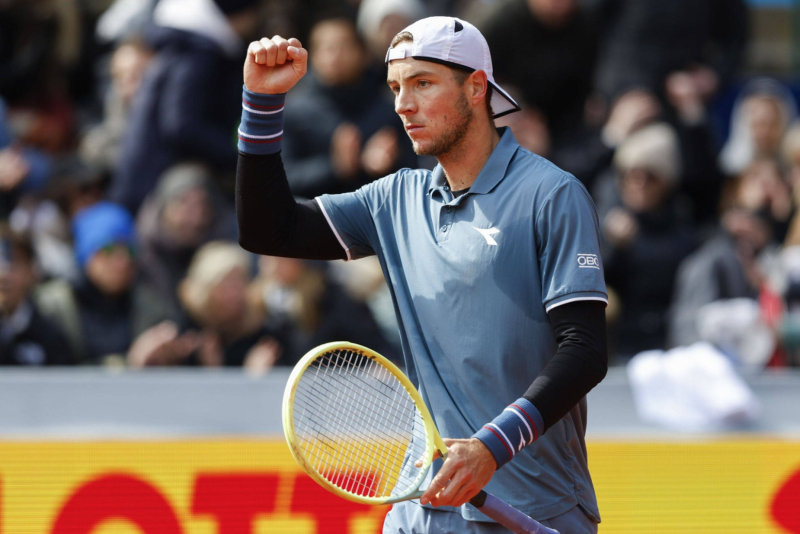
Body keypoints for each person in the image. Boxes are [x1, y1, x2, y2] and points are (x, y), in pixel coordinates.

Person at [236, 17, 608, 533]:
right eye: (395, 88)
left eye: (422, 83)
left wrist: (491, 447)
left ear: (476, 87)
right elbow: (269, 231)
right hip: (421, 510)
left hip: (534, 507)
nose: (402, 105)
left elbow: (585, 350)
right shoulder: (394, 198)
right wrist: (261, 103)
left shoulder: (552, 194)